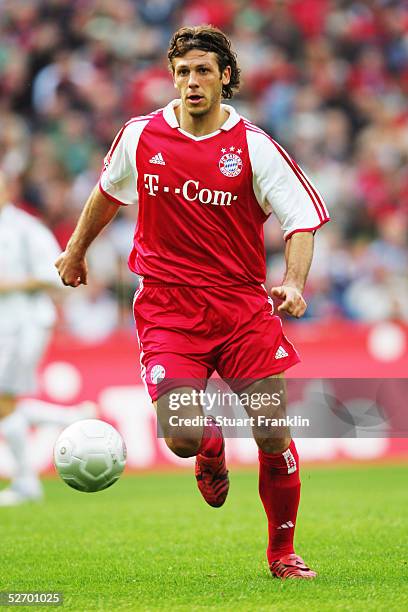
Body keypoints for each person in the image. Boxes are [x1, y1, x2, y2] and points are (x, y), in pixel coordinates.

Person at [56, 26, 330, 579]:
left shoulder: (253, 145)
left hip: (241, 308)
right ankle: (209, 450)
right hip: (168, 310)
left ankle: (282, 553)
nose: (191, 82)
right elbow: (107, 192)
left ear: (225, 77)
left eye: (203, 70)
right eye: (182, 72)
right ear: (172, 78)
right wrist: (75, 251)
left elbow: (301, 219)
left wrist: (294, 282)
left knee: (273, 433)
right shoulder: (141, 135)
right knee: (181, 437)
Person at [0, 171, 96, 506]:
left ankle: (26, 482)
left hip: (24, 324)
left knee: (3, 401)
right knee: (3, 403)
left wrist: (11, 284)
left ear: (8, 187)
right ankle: (69, 418)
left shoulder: (26, 229)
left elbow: (57, 274)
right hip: (5, 326)